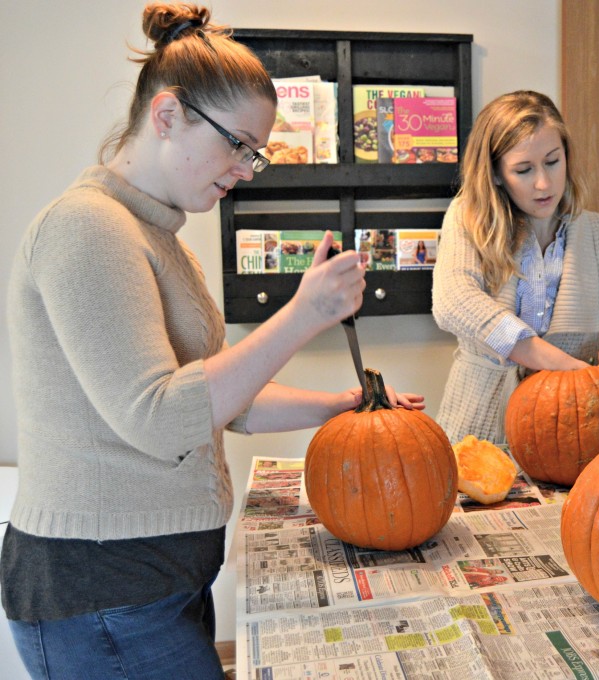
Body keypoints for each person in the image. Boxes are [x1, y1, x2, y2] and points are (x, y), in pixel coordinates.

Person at [1, 4, 422, 678]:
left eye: (256, 152)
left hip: (154, 582)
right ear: (168, 116)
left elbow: (226, 399)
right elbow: (162, 418)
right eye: (239, 144)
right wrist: (303, 314)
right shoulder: (86, 229)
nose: (248, 168)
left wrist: (344, 403)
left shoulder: (157, 238)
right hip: (99, 595)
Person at [432, 90, 599, 444]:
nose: (543, 183)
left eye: (552, 161)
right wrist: (563, 365)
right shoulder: (469, 218)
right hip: (475, 434)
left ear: (567, 156)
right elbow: (453, 301)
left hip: (569, 439)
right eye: (523, 170)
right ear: (496, 174)